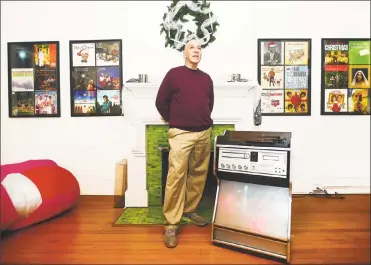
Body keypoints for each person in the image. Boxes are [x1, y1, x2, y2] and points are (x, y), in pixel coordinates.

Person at [155, 39, 214, 248]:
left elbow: (210, 104)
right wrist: (175, 120)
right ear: (184, 52)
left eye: (199, 48)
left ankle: (190, 209)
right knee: (176, 177)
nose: (196, 50)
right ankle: (171, 224)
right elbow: (160, 102)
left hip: (204, 133)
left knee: (198, 174)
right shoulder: (174, 74)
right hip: (181, 134)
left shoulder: (207, 78)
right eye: (192, 47)